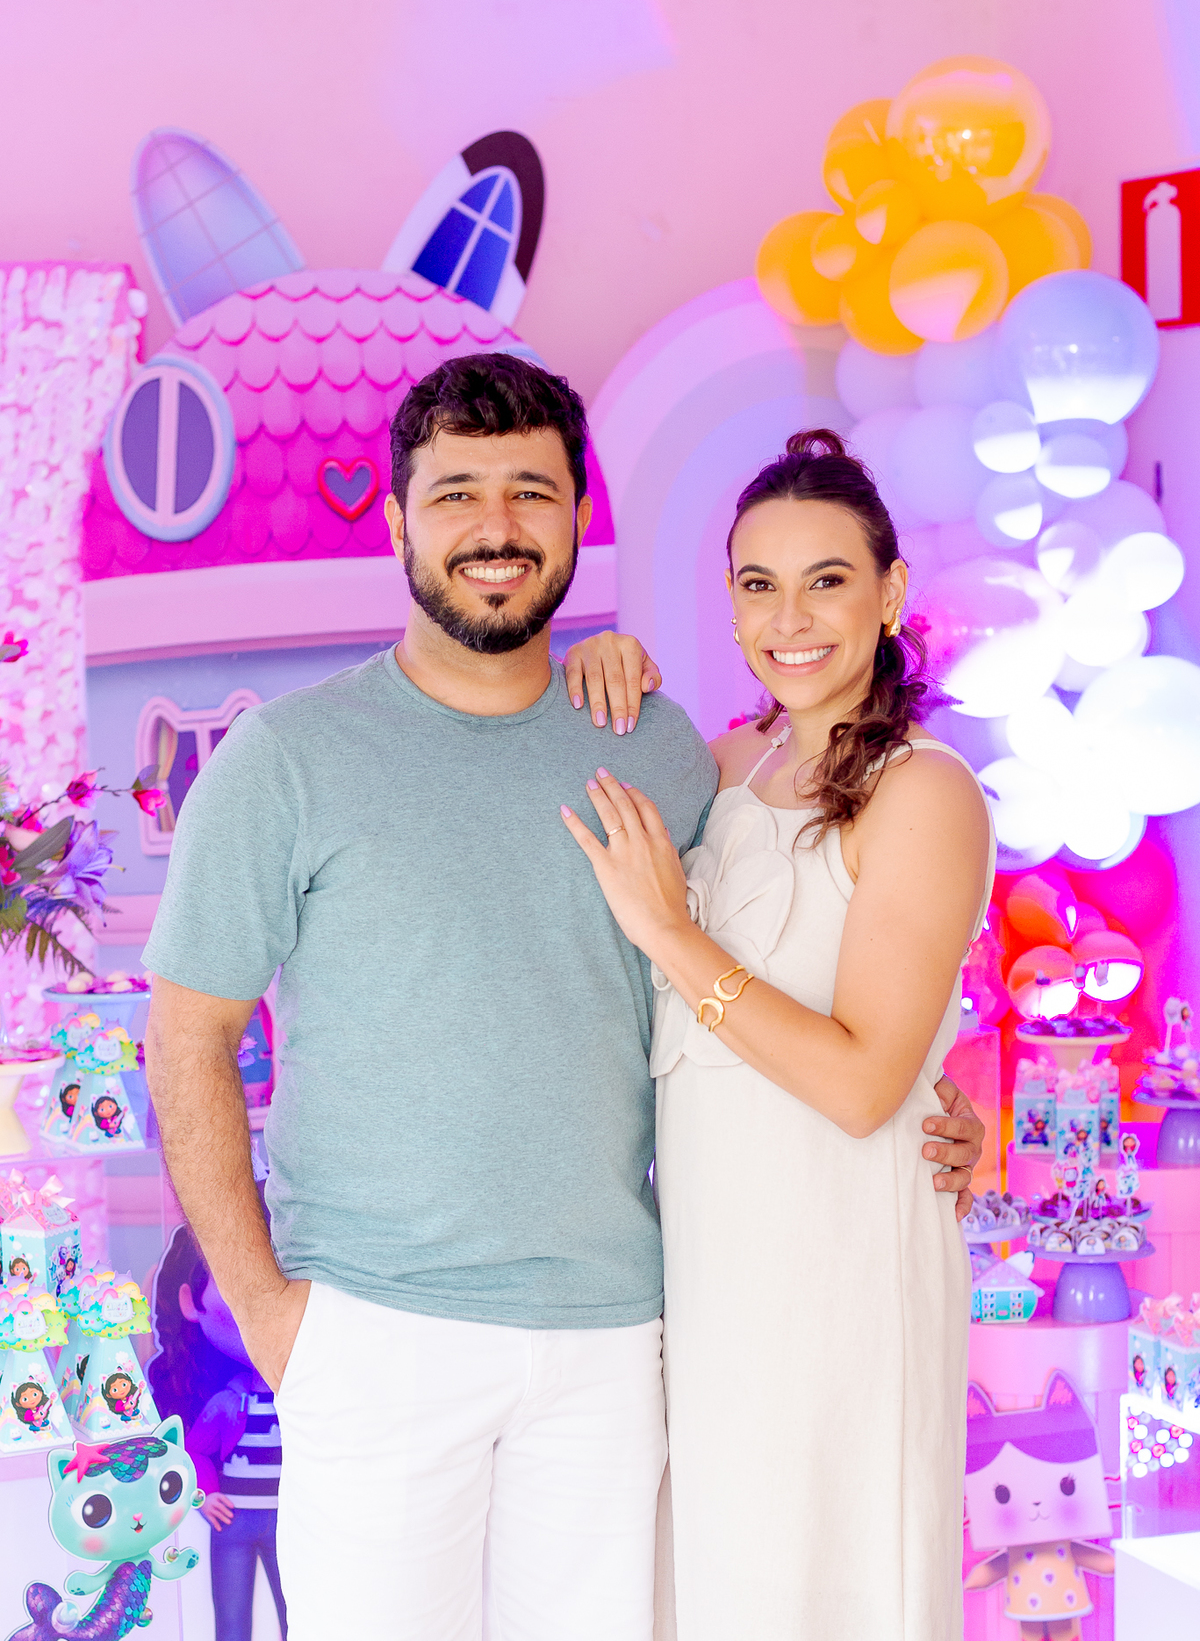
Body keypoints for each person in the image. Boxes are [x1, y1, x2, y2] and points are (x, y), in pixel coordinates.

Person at [141, 359, 983, 1641]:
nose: (497, 525)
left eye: (531, 491)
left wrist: (945, 1101)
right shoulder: (293, 758)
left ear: (579, 518)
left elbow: (845, 986)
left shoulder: (656, 748)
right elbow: (185, 1036)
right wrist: (263, 1311)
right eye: (457, 492)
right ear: (397, 518)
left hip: (618, 1335)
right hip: (380, 1329)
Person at [560, 430, 995, 1640]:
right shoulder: (721, 768)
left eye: (827, 580)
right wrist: (593, 667)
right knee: (721, 1585)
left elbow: (863, 1085)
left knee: (825, 1581)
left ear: (890, 592)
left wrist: (673, 934)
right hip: (712, 1276)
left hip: (842, 1271)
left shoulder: (924, 789)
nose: (788, 618)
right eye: (759, 583)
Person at [147, 1207, 288, 1641]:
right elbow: (195, 1450)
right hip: (233, 1521)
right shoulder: (227, 1401)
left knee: (298, 1614)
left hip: (288, 1521)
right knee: (231, 1619)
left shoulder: (297, 1396)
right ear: (190, 1303)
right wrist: (204, 1495)